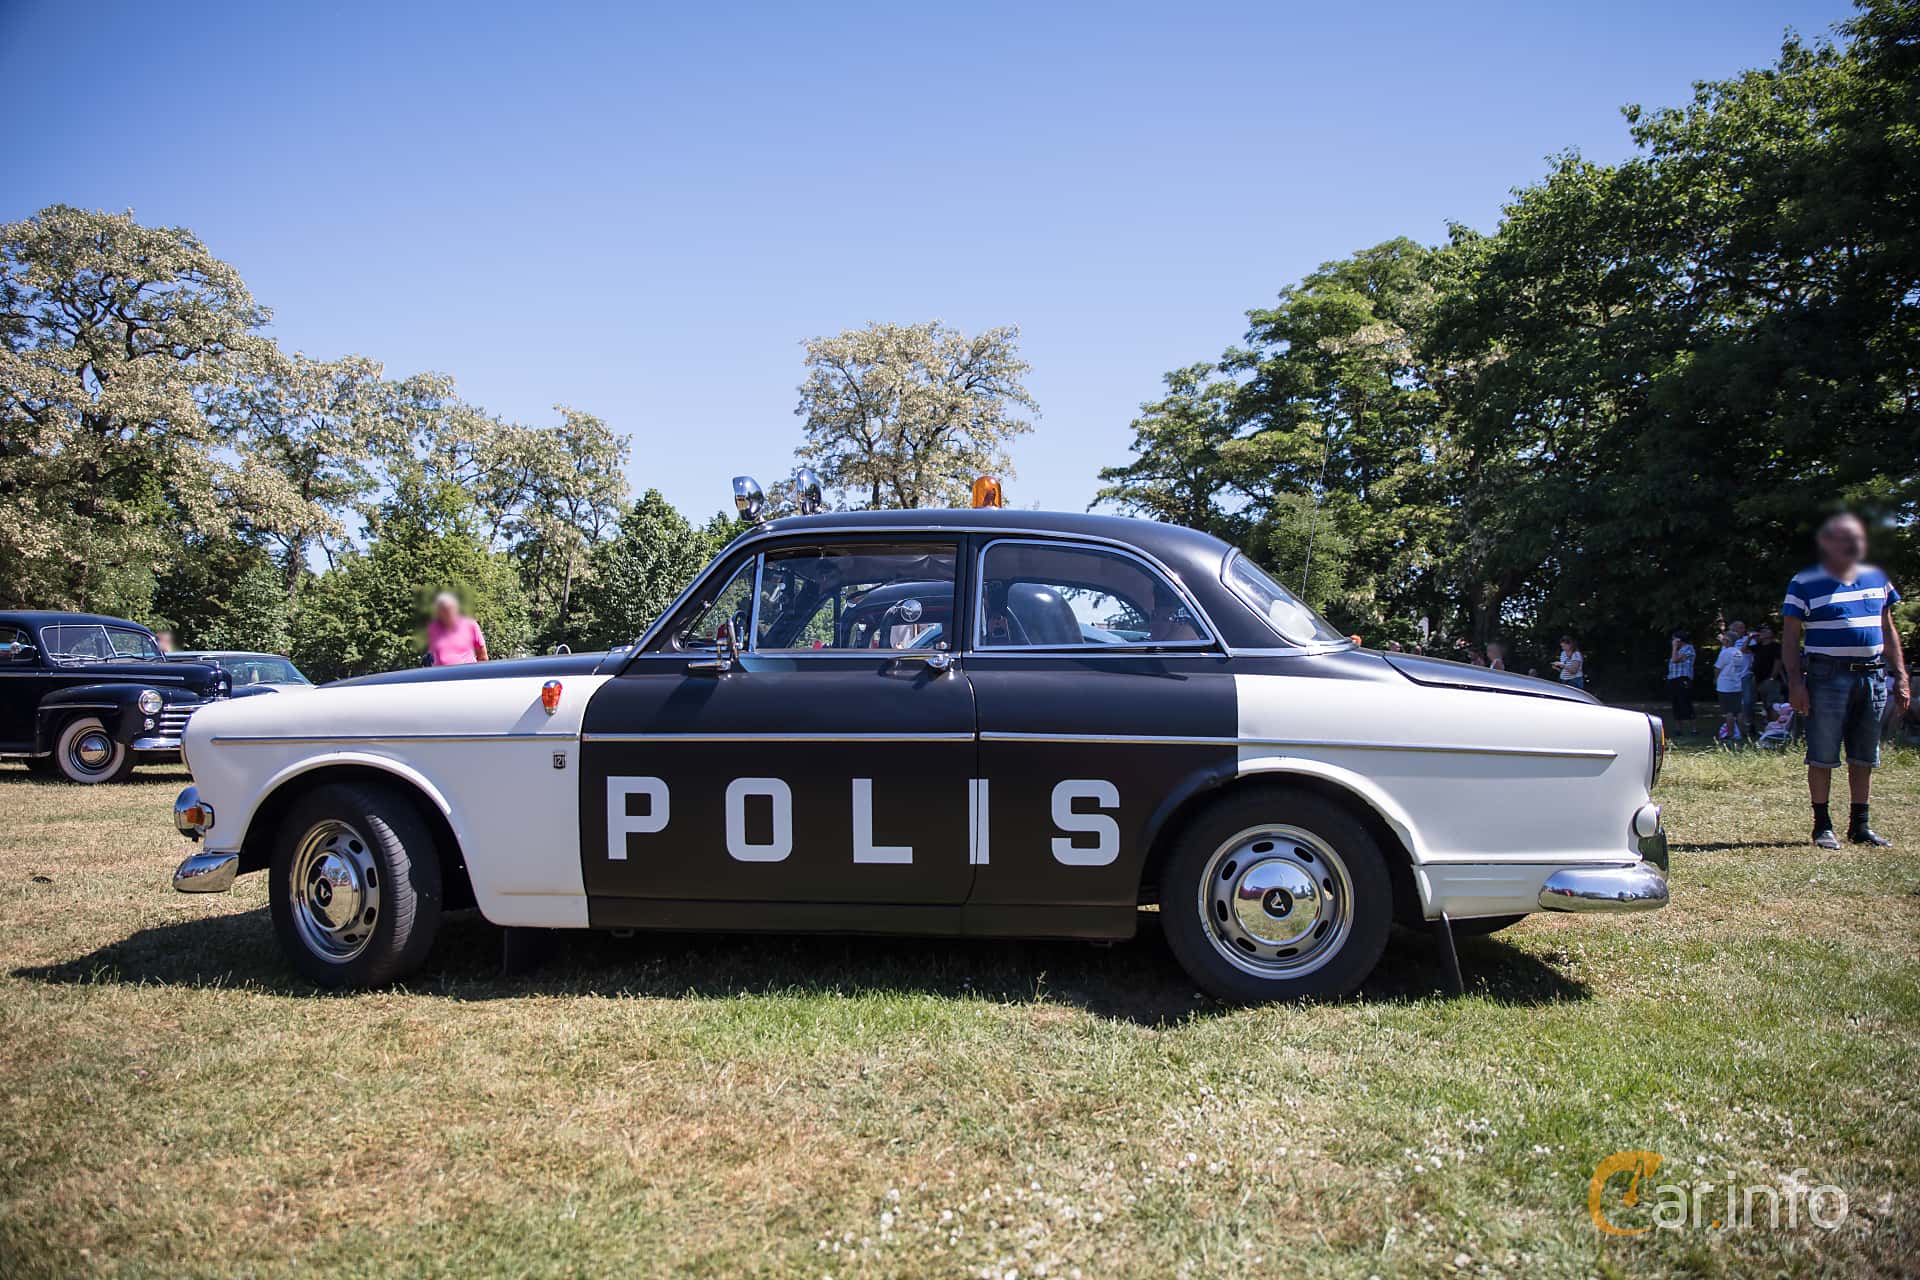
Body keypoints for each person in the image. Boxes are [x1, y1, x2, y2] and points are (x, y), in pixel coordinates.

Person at [1782, 512, 1909, 848]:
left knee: (1864, 755)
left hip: (1872, 675)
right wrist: (1795, 683)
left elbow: (1888, 628)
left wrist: (1902, 676)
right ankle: (1822, 825)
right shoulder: (1804, 582)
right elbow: (1791, 638)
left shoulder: (1877, 578)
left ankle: (1860, 826)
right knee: (1822, 753)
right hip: (1826, 676)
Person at [425, 592, 488, 667]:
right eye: (442, 610)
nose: (446, 613)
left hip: (466, 674)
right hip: (441, 675)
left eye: (448, 609)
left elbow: (482, 655)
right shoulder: (434, 627)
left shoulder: (470, 625)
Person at [1713, 629, 1750, 742]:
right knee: (1738, 711)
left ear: (1728, 641)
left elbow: (1718, 668)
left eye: (1724, 639)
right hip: (1736, 685)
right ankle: (1744, 733)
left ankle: (1730, 734)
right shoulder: (1738, 652)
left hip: (1725, 685)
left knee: (1728, 712)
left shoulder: (1725, 652)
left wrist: (1715, 678)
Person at [1748, 623, 1784, 731]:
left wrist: (1772, 677)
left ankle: (1777, 728)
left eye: (1766, 630)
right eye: (1762, 631)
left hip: (1771, 680)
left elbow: (1778, 662)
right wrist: (1750, 638)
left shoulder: (1776, 646)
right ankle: (1770, 726)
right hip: (1759, 679)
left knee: (1773, 704)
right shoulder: (1758, 647)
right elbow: (1744, 649)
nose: (1763, 632)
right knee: (1766, 705)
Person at [1666, 630, 1697, 735]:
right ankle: (1678, 729)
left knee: (1686, 703)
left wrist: (1674, 647)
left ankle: (1693, 729)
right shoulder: (1676, 650)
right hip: (1673, 679)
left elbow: (1675, 659)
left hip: (1683, 679)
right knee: (1676, 704)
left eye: (1674, 640)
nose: (1672, 642)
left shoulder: (1688, 649)